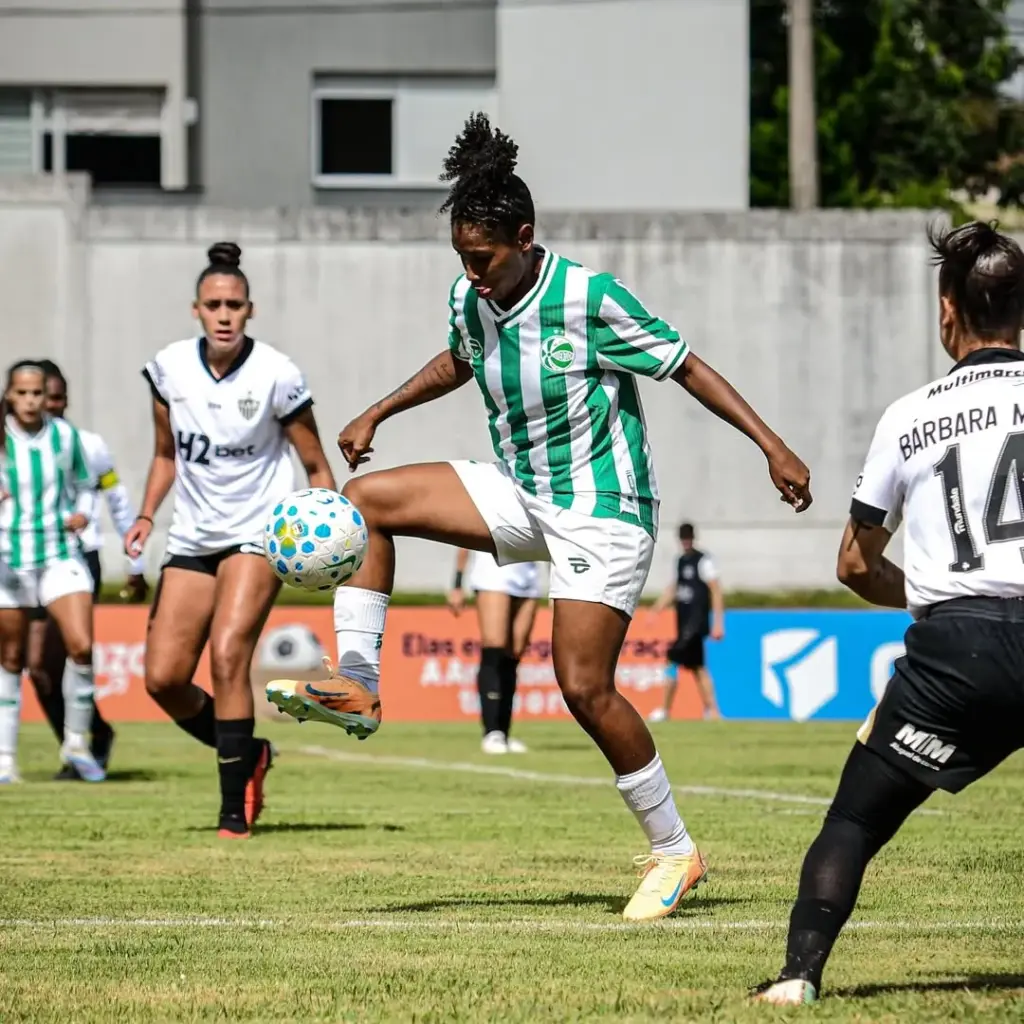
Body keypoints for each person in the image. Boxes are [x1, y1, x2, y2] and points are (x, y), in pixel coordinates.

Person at [266, 113, 811, 921]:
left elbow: (686, 367)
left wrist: (772, 445)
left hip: (603, 509)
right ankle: (362, 682)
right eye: (461, 259)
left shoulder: (590, 297)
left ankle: (675, 851)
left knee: (583, 686)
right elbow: (462, 356)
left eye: (483, 259)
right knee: (366, 501)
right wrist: (379, 411)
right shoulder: (471, 295)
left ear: (525, 236)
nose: (472, 275)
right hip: (520, 492)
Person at [756, 220, 1024, 1006]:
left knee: (856, 820)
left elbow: (852, 563)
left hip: (953, 654)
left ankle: (799, 977)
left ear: (947, 313)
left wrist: (938, 594)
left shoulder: (910, 416)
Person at [123, 242, 336, 839]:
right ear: (195, 309)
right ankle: (252, 755)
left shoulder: (277, 373)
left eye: (234, 305)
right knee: (162, 679)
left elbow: (315, 463)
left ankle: (231, 812)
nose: (224, 314)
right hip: (191, 536)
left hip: (257, 534)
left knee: (227, 656)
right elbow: (166, 454)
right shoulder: (168, 369)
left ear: (250, 310)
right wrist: (145, 514)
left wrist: (328, 533)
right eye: (213, 304)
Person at [23, 359, 149, 780]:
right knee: (39, 668)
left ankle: (81, 747)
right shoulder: (16, 446)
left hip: (79, 557)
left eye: (56, 397)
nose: (50, 405)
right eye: (43, 396)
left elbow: (117, 501)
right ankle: (87, 738)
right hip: (31, 558)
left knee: (54, 656)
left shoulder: (85, 444)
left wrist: (136, 561)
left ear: (65, 399)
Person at [0, 361, 105, 783]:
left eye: (37, 393)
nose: (30, 401)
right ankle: (5, 758)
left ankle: (77, 744)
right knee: (10, 658)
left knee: (81, 646)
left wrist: (81, 514)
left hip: (60, 554)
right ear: (10, 394)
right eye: (22, 393)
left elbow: (86, 485)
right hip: (9, 557)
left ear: (48, 397)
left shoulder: (66, 436)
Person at [447, 549, 541, 754]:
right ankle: (491, 731)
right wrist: (457, 584)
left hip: (528, 575)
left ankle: (504, 733)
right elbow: (463, 543)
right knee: (494, 647)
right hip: (493, 574)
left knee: (514, 653)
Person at [648, 522, 723, 722]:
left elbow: (715, 590)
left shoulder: (703, 560)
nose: (686, 542)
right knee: (698, 667)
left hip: (696, 624)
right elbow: (674, 588)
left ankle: (664, 710)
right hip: (683, 624)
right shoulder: (680, 561)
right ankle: (713, 712)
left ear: (693, 538)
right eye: (683, 538)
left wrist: (717, 623)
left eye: (688, 537)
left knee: (672, 659)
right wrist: (657, 609)